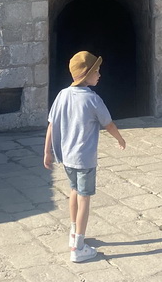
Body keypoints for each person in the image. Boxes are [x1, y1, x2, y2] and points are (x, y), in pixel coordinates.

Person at [43, 51, 127, 263]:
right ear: (86, 75)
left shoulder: (62, 95)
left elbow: (51, 124)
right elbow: (108, 123)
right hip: (85, 159)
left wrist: (47, 151)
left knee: (74, 192)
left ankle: (73, 234)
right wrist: (120, 139)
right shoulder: (92, 99)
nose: (99, 74)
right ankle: (79, 248)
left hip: (68, 158)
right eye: (96, 71)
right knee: (84, 199)